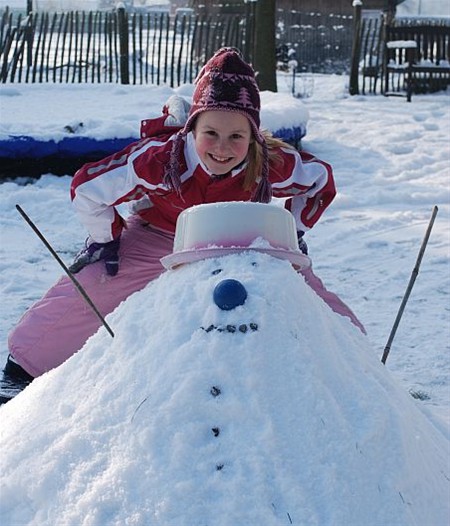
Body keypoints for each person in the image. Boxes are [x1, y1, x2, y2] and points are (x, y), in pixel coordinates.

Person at [1, 47, 365, 403]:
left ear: (253, 135)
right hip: (162, 236)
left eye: (236, 136)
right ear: (192, 129)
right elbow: (87, 188)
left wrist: (293, 232)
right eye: (211, 133)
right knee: (98, 282)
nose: (222, 147)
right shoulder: (159, 160)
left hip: (245, 238)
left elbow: (320, 181)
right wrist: (106, 240)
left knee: (303, 290)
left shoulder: (270, 161)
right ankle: (24, 368)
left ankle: (359, 366)